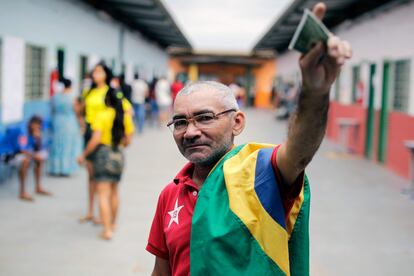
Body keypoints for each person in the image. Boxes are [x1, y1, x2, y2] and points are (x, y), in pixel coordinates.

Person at [146, 3, 352, 275]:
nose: (191, 131)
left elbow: (300, 151)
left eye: (205, 118)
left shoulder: (260, 174)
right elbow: (162, 271)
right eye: (181, 122)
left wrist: (315, 92)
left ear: (237, 122)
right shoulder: (171, 194)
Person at [78, 88, 135, 240]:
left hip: (103, 155)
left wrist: (84, 155)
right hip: (119, 155)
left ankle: (107, 230)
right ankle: (113, 224)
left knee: (103, 194)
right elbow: (128, 141)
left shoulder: (102, 116)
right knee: (114, 191)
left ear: (107, 100)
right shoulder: (125, 118)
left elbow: (95, 139)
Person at [79, 62, 113, 224]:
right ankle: (90, 211)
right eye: (94, 72)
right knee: (90, 175)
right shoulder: (89, 92)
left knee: (101, 177)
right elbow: (80, 109)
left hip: (102, 135)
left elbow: (124, 110)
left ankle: (102, 214)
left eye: (99, 72)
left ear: (106, 74)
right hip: (89, 132)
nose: (96, 75)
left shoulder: (110, 92)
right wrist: (82, 123)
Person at [48, 78, 81, 176]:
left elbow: (52, 110)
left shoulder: (55, 97)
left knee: (57, 145)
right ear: (70, 86)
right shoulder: (72, 97)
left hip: (57, 121)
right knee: (68, 145)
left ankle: (55, 168)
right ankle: (65, 169)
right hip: (69, 122)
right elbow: (76, 111)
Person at [18, 116, 51, 201]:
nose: (38, 128)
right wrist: (34, 156)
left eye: (39, 127)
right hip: (9, 153)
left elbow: (39, 149)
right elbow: (22, 150)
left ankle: (38, 187)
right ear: (32, 124)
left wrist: (38, 137)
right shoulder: (23, 131)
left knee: (39, 159)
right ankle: (22, 192)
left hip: (23, 152)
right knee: (25, 161)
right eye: (37, 126)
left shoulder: (35, 132)